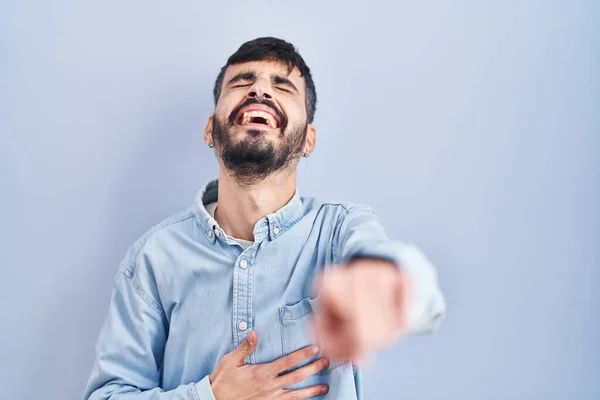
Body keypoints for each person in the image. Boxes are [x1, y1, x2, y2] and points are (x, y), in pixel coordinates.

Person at [83, 37, 446, 400]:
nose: (259, 89)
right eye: (241, 81)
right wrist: (209, 396)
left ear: (308, 140)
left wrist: (388, 281)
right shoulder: (154, 258)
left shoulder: (340, 232)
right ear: (210, 129)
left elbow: (426, 297)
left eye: (282, 85)